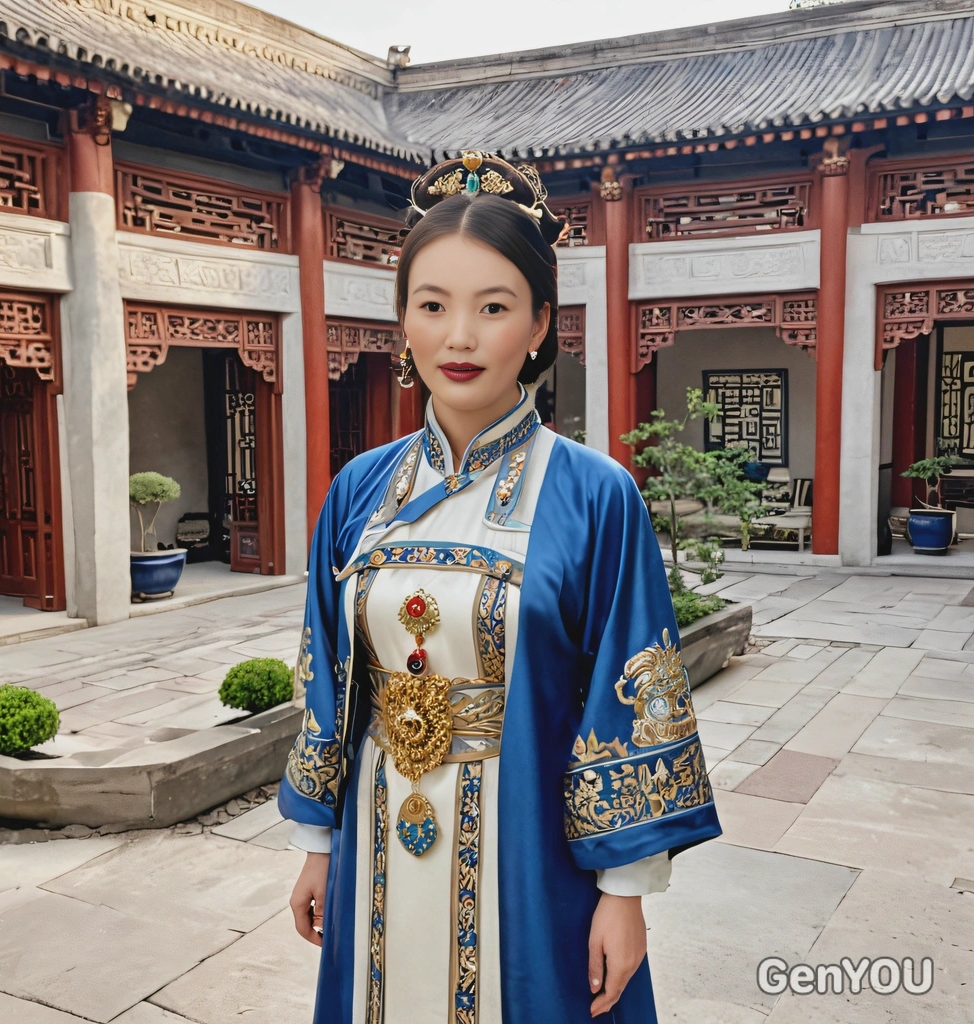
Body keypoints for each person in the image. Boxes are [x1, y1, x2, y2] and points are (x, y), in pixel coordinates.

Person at [279, 150, 722, 1024]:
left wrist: (624, 893)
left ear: (539, 323)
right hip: (374, 838)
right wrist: (316, 845)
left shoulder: (595, 495)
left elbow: (636, 694)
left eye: (493, 307)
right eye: (432, 305)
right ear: (403, 321)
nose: (460, 337)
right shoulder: (359, 490)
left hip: (530, 853)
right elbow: (326, 675)